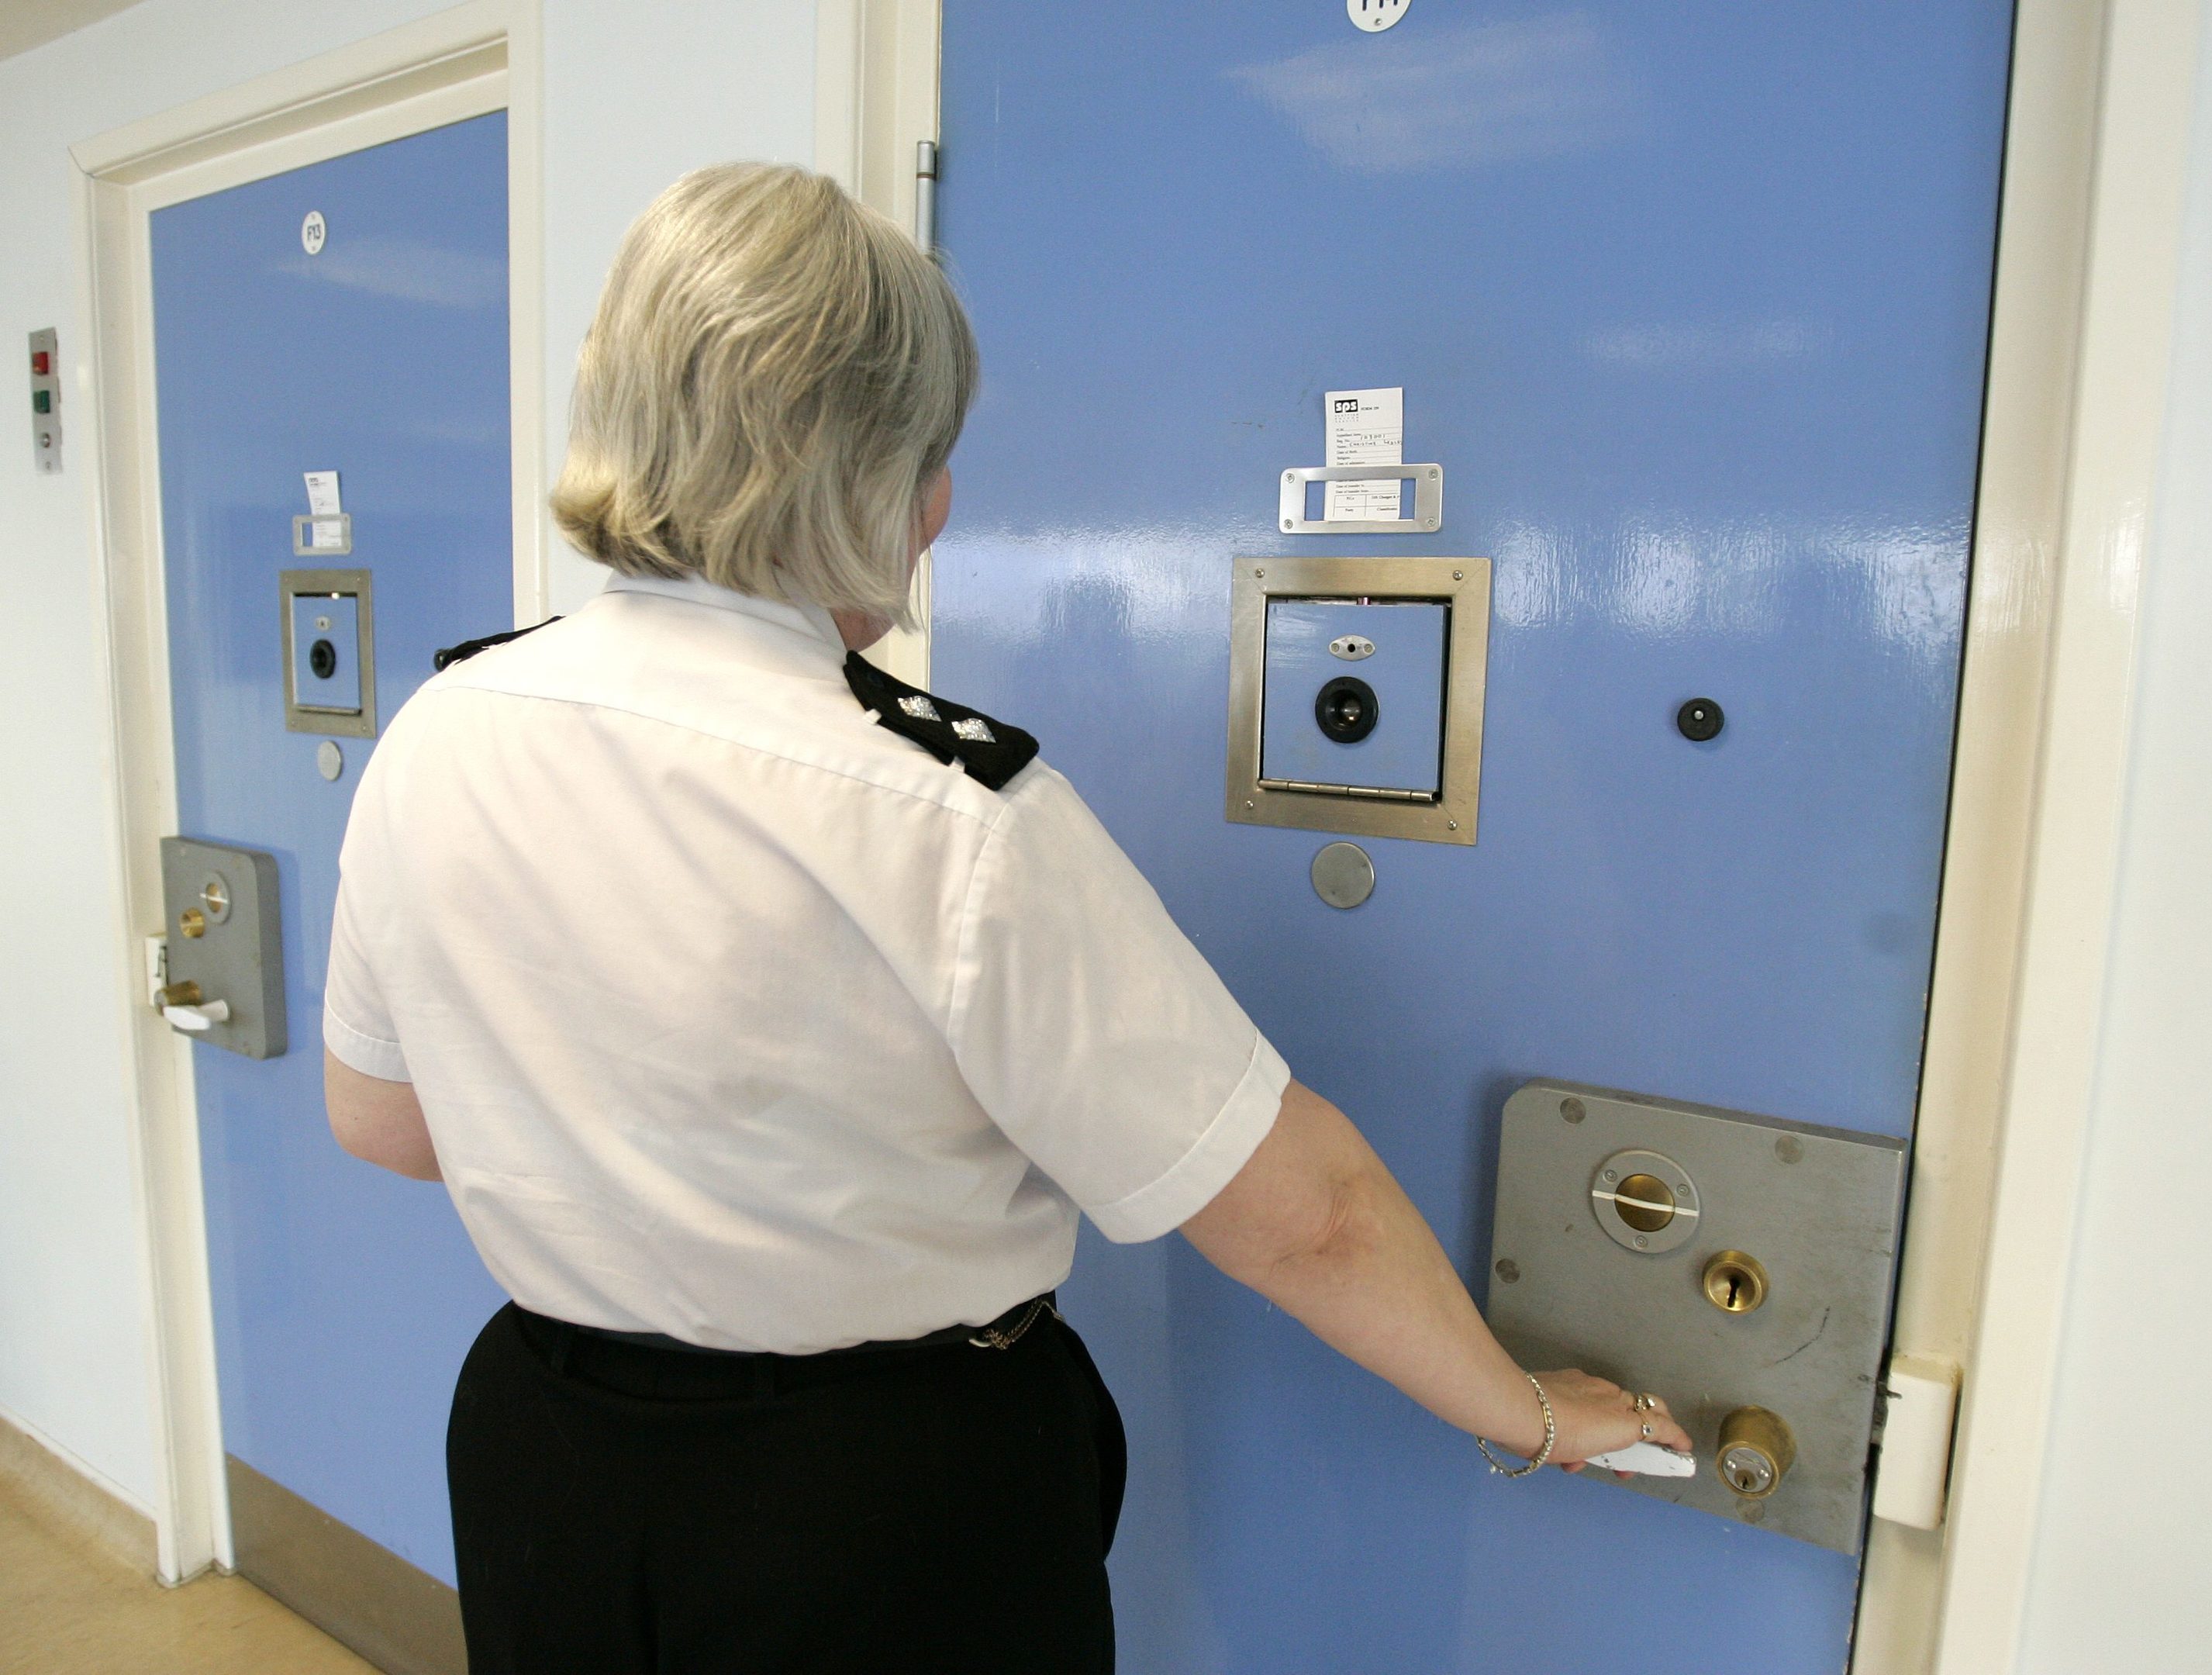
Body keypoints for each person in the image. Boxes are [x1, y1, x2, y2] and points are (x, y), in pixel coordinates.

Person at [321, 162, 1692, 1674]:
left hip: (546, 1454)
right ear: (874, 474)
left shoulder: (445, 724)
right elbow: (1302, 1216)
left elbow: (385, 1123)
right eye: (930, 459)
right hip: (874, 1508)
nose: (941, 509)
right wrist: (1533, 1410)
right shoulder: (941, 812)